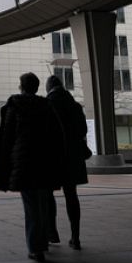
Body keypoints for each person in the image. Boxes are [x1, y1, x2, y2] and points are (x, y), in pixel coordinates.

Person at [0, 72, 63, 263]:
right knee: (42, 202)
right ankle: (43, 240)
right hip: (45, 162)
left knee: (31, 206)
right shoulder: (46, 106)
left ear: (21, 86)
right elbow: (57, 135)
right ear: (37, 87)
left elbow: (6, 138)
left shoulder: (14, 106)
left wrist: (4, 164)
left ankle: (36, 247)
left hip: (24, 163)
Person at [45, 74, 88, 250]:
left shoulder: (47, 104)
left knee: (48, 194)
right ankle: (75, 237)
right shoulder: (75, 106)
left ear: (49, 88)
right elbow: (83, 130)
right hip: (73, 157)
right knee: (72, 195)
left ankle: (52, 232)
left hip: (53, 157)